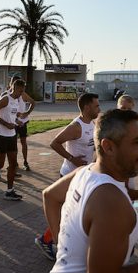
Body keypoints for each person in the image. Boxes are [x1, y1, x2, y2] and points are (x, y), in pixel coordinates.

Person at [42, 108, 138, 273]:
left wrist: (65, 247)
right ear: (108, 147)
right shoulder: (110, 201)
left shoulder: (85, 172)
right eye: (137, 142)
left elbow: (49, 196)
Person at [35, 93, 100, 259]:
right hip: (68, 176)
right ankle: (46, 240)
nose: (99, 109)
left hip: (82, 176)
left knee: (72, 214)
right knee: (66, 214)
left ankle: (57, 240)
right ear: (86, 108)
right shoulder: (75, 126)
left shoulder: (92, 124)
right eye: (96, 106)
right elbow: (54, 143)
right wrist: (72, 159)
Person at [0, 79, 27, 200]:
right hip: (1, 135)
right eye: (19, 90)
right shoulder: (5, 98)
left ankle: (9, 191)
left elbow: (11, 117)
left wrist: (17, 122)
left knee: (13, 164)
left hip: (12, 136)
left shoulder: (16, 101)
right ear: (13, 88)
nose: (21, 93)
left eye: (22, 91)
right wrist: (6, 124)